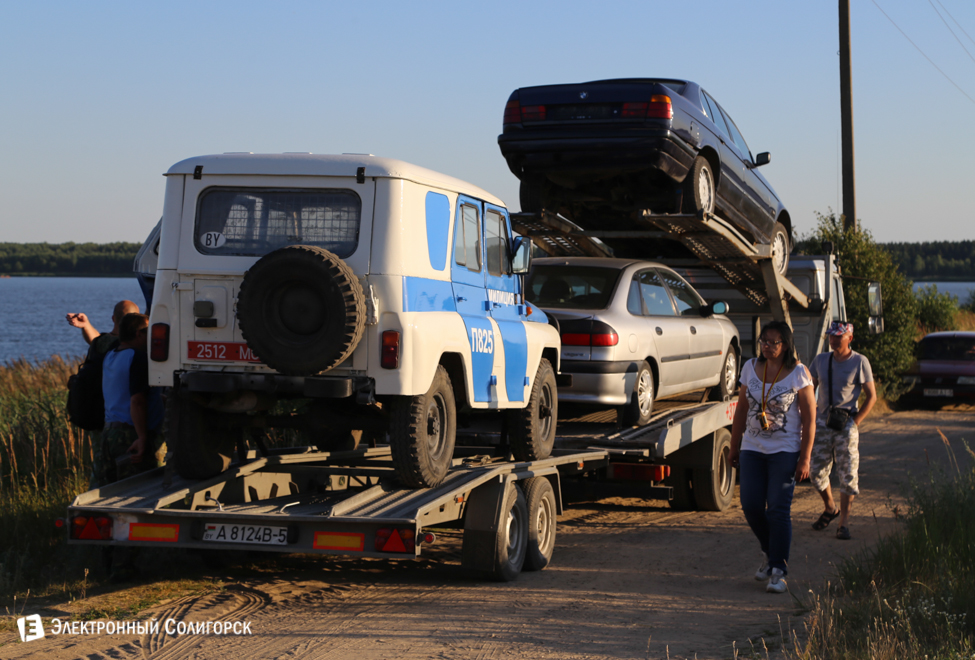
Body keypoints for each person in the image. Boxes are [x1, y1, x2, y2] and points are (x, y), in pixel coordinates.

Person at [729, 321, 816, 594]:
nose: (766, 346)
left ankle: (778, 570)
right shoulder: (750, 368)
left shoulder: (798, 373)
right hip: (752, 448)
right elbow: (741, 410)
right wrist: (734, 447)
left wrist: (805, 458)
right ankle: (769, 552)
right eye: (763, 341)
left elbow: (810, 420)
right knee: (751, 506)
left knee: (778, 509)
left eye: (773, 342)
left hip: (785, 450)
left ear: (786, 345)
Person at [807, 321, 876, 541]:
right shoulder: (820, 360)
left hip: (846, 424)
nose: (834, 339)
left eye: (839, 336)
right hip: (823, 423)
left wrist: (855, 422)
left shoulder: (859, 361)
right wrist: (809, 416)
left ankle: (843, 523)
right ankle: (830, 507)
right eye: (831, 336)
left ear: (850, 338)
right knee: (815, 472)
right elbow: (810, 389)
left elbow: (871, 396)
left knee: (848, 474)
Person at [96, 313, 166, 487]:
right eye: (148, 330)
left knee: (108, 490)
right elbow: (137, 401)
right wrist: (142, 437)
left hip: (109, 434)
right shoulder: (137, 357)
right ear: (138, 334)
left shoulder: (111, 355)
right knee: (137, 490)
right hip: (129, 435)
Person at [67, 300, 140, 356]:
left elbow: (97, 341)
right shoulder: (138, 345)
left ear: (113, 318)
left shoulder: (104, 344)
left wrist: (86, 325)